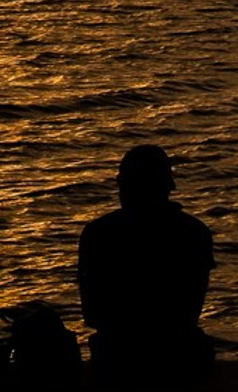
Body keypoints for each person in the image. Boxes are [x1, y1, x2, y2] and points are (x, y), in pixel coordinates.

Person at [76, 145, 215, 376]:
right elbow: (191, 310)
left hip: (118, 359)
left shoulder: (97, 233)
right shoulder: (195, 231)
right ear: (169, 186)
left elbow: (92, 314)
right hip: (182, 358)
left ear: (123, 186)